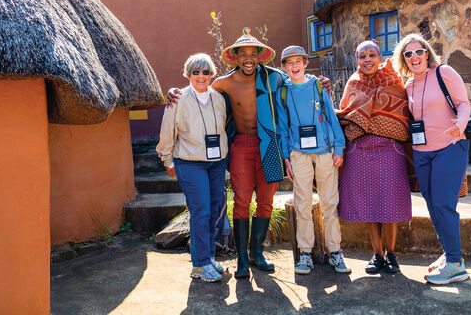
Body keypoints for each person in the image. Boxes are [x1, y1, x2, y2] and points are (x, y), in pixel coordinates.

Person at [167, 28, 288, 279]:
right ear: (235, 57)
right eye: (243, 54)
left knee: (266, 200)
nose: (248, 58)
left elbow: (298, 88)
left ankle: (257, 254)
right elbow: (198, 90)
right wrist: (173, 93)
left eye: (253, 54)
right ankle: (242, 258)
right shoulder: (224, 83)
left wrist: (321, 84)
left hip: (270, 145)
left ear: (260, 56)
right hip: (241, 146)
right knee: (242, 201)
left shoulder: (274, 78)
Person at [394, 33, 471, 285]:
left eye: (418, 52)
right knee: (432, 205)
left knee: (443, 205)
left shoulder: (444, 73)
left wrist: (459, 126)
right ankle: (449, 254)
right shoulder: (408, 86)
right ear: (403, 60)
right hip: (422, 153)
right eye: (408, 54)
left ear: (427, 53)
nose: (414, 57)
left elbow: (463, 104)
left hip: (449, 147)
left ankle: (456, 265)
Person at [336, 40, 412, 274]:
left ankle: (392, 254)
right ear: (356, 60)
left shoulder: (395, 82)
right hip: (360, 151)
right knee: (369, 207)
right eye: (362, 56)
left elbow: (404, 113)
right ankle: (377, 255)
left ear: (380, 57)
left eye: (371, 55)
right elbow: (347, 113)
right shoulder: (353, 83)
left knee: (390, 207)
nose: (367, 59)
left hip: (390, 150)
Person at [275, 45, 350, 275]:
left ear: (306, 63)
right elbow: (283, 127)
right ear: (284, 67)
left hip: (325, 151)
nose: (294, 66)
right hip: (298, 152)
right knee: (302, 204)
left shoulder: (318, 86)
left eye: (298, 61)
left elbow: (332, 116)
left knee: (330, 202)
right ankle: (305, 252)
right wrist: (286, 156)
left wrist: (339, 147)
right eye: (289, 63)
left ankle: (335, 251)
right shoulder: (283, 92)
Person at [156, 53, 229, 283]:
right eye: (195, 72)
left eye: (205, 72)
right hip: (189, 163)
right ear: (188, 74)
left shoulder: (218, 98)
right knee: (201, 211)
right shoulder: (177, 98)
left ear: (211, 75)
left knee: (216, 209)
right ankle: (199, 265)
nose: (201, 76)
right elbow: (168, 131)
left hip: (216, 163)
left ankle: (208, 257)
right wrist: (167, 160)